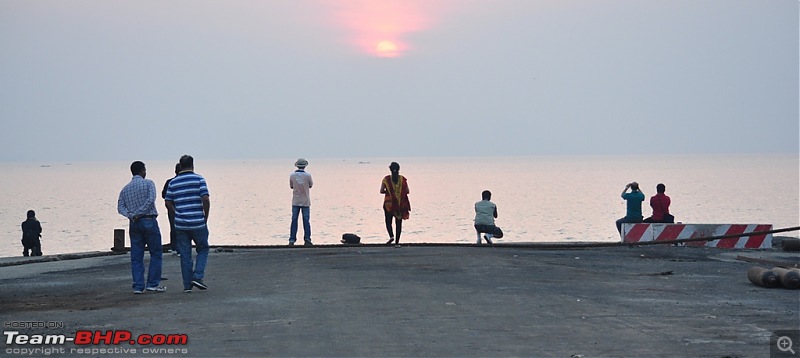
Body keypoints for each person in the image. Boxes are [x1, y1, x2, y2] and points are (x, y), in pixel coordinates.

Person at [117, 161, 165, 294]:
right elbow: (151, 200)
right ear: (143, 170)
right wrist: (139, 213)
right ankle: (152, 284)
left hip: (134, 223)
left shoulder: (125, 189)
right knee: (155, 253)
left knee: (136, 256)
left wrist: (131, 215)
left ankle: (138, 286)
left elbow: (120, 207)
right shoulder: (149, 183)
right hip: (149, 219)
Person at [165, 155, 211, 293]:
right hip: (197, 222)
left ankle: (187, 286)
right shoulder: (199, 179)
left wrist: (176, 213)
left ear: (180, 165)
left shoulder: (173, 183)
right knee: (203, 248)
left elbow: (167, 202)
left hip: (180, 224)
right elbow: (206, 199)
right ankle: (197, 276)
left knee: (185, 254)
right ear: (192, 165)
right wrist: (205, 216)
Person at [380, 162, 410, 247]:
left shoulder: (386, 179)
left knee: (388, 221)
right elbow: (407, 191)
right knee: (398, 223)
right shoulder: (403, 179)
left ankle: (391, 236)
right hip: (400, 204)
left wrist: (389, 192)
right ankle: (397, 242)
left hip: (389, 204)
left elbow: (381, 190)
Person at [288, 158, 313, 246]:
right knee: (306, 220)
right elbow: (310, 185)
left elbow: (291, 186)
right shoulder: (308, 176)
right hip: (305, 201)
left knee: (294, 220)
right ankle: (307, 239)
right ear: (305, 166)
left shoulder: (292, 175)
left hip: (295, 200)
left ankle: (292, 239)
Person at [161, 163, 181, 254]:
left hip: (172, 207)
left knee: (173, 228)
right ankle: (182, 247)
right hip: (185, 208)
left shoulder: (170, 182)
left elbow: (163, 195)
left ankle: (174, 247)